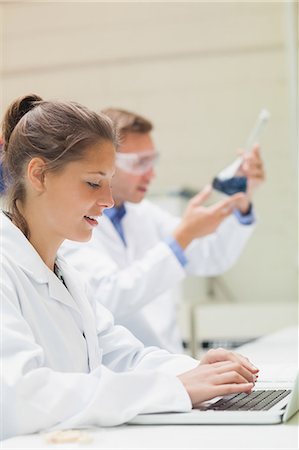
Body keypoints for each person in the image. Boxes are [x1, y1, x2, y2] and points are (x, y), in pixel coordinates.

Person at [0, 94, 259, 440]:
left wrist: (200, 371)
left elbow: (124, 356)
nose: (107, 200)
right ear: (39, 174)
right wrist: (174, 388)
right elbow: (21, 396)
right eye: (93, 182)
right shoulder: (7, 266)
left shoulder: (66, 275)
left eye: (109, 181)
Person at [60, 108, 265, 353]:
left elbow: (212, 256)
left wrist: (243, 196)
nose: (151, 173)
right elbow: (111, 296)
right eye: (140, 163)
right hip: (121, 372)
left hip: (168, 361)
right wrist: (183, 236)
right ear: (105, 162)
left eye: (152, 160)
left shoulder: (145, 213)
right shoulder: (72, 223)